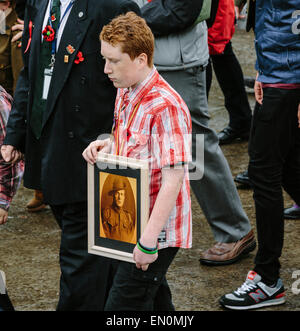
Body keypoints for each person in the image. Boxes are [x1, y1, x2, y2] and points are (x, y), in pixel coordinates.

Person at [1, 0, 140, 311]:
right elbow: (31, 74)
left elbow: (135, 86)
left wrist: (116, 142)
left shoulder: (112, 7)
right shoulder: (40, 4)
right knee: (114, 263)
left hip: (96, 161)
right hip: (52, 154)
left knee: (83, 266)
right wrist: (15, 134)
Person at [83, 11, 192, 310]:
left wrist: (147, 242)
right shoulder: (126, 90)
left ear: (141, 60)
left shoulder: (166, 106)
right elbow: (127, 142)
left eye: (114, 61)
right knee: (155, 302)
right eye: (105, 59)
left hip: (156, 232)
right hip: (131, 220)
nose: (106, 69)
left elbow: (174, 179)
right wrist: (105, 145)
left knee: (121, 308)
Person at [134, 0, 255, 266]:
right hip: (144, 58)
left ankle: (235, 230)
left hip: (179, 63)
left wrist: (127, 17)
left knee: (196, 147)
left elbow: (181, 11)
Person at [220, 0, 300, 310]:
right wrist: (261, 68)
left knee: (264, 174)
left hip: (287, 81)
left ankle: (267, 279)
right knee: (290, 167)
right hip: (277, 73)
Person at [206, 0, 252, 145]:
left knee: (217, 50)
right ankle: (242, 120)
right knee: (218, 54)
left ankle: (242, 121)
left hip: (214, 8)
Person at [101, 176, 135, 243]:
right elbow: (105, 237)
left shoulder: (128, 216)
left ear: (124, 197)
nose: (119, 197)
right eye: (117, 193)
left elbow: (131, 237)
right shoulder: (107, 213)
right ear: (113, 195)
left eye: (122, 194)